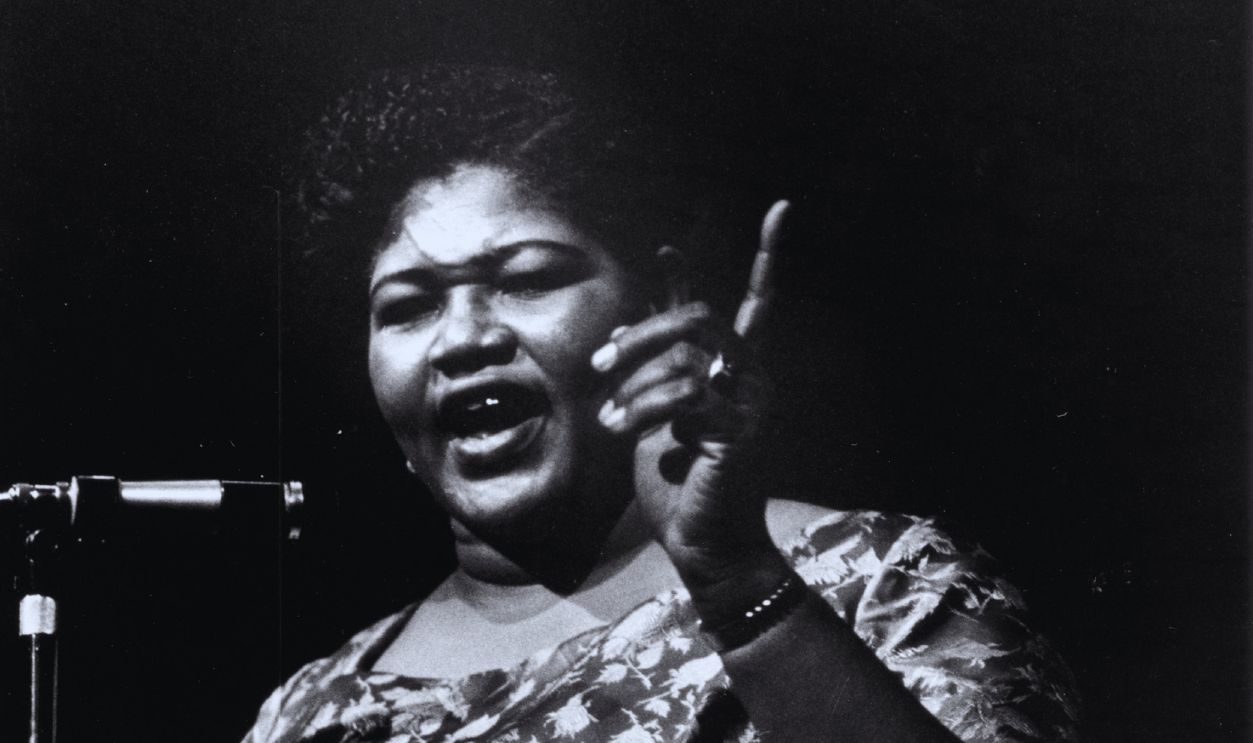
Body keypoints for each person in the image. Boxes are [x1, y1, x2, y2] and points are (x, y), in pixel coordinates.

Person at [242, 65, 1079, 743]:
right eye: (408, 306)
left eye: (526, 279)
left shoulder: (882, 581)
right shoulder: (308, 712)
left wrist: (736, 584)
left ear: (658, 306)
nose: (461, 340)